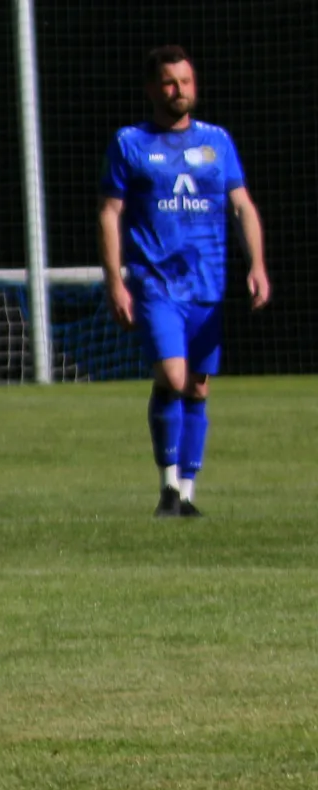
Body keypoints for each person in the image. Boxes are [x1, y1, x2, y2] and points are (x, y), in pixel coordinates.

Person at [98, 45, 269, 519]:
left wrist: (257, 265)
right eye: (170, 83)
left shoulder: (217, 141)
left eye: (186, 82)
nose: (179, 91)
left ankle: (186, 495)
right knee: (172, 377)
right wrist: (115, 282)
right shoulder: (130, 143)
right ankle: (167, 486)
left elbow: (242, 206)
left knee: (197, 387)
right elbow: (109, 213)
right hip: (155, 283)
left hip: (207, 283)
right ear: (151, 88)